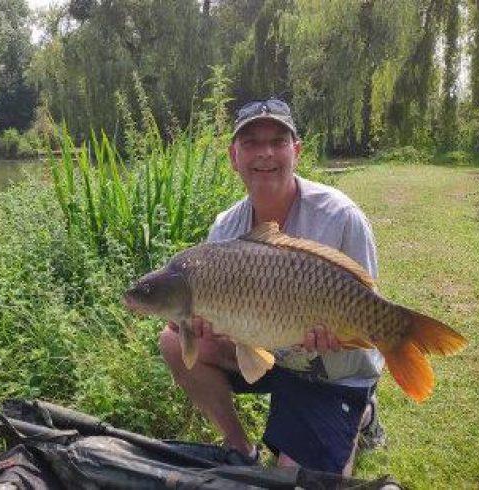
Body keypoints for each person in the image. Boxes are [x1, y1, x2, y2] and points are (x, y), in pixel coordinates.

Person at [159, 99, 384, 476]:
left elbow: (366, 308)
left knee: (293, 479)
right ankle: (240, 450)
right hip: (267, 353)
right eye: (250, 143)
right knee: (172, 340)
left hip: (329, 371)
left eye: (277, 141)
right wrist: (204, 325)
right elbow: (225, 331)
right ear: (234, 157)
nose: (265, 152)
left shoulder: (342, 217)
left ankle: (361, 412)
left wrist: (340, 336)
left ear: (296, 151)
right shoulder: (225, 229)